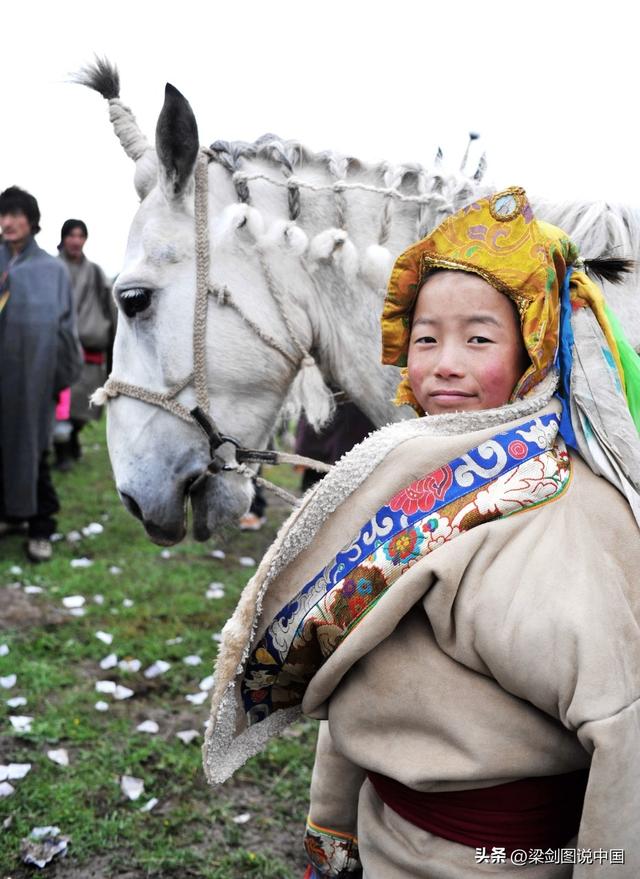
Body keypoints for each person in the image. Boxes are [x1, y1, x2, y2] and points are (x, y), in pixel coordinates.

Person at [205, 186, 640, 877]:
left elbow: (624, 733)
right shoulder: (398, 471)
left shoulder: (569, 511)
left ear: (534, 347)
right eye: (426, 338)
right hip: (384, 837)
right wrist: (333, 827)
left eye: (478, 338)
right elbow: (355, 667)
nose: (444, 362)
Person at [0, 187, 82, 561]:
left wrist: (57, 379)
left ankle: (41, 527)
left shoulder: (51, 271)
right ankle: (10, 515)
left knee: (33, 453)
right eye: (3, 215)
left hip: (33, 380)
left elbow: (66, 330)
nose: (8, 222)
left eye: (16, 215)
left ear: (31, 222)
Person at [55, 219, 115, 469]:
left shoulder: (95, 272)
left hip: (91, 355)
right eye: (71, 235)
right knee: (61, 408)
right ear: (64, 238)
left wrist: (113, 344)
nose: (76, 240)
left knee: (82, 409)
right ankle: (63, 453)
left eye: (81, 235)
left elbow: (109, 308)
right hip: (59, 351)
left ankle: (72, 441)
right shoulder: (53, 268)